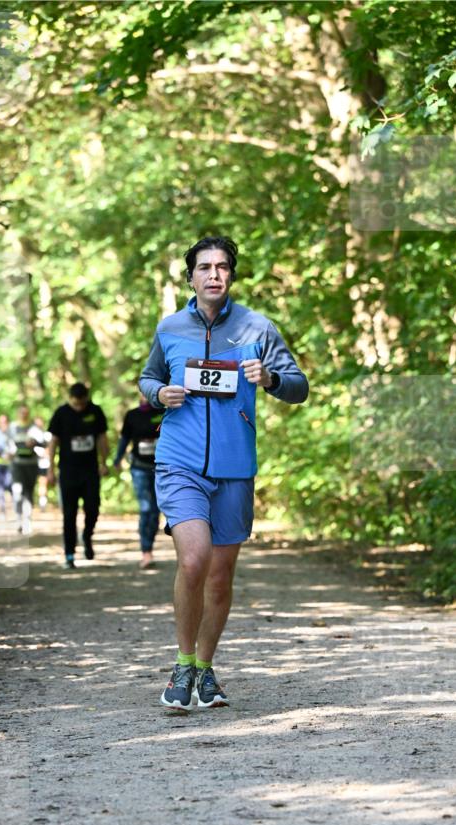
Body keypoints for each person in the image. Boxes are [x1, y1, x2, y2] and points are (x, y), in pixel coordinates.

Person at [140, 235, 308, 711]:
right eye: (204, 267)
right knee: (194, 560)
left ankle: (205, 668)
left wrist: (271, 379)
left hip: (234, 467)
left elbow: (299, 387)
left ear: (231, 275)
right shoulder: (170, 328)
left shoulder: (257, 327)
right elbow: (148, 378)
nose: (213, 274)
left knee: (219, 575)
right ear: (190, 277)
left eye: (222, 267)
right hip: (180, 461)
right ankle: (181, 665)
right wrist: (160, 394)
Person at [47, 383, 109, 568]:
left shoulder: (95, 412)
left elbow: (102, 438)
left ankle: (87, 535)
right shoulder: (61, 413)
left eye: (82, 403)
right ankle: (69, 554)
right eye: (76, 404)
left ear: (87, 398)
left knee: (93, 508)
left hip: (90, 471)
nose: (79, 407)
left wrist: (104, 462)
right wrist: (50, 470)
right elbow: (53, 442)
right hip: (68, 471)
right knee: (69, 513)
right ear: (70, 399)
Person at [113, 392, 163, 569]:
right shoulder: (132, 415)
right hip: (139, 467)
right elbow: (125, 439)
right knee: (146, 507)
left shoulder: (162, 412)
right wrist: (118, 458)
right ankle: (146, 551)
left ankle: (150, 544)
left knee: (155, 510)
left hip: (160, 468)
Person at [9, 405, 44, 535]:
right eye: (21, 412)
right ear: (18, 413)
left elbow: (45, 443)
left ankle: (27, 521)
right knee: (17, 491)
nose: (23, 415)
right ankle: (18, 519)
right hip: (17, 465)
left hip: (31, 465)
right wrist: (8, 453)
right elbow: (5, 444)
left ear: (28, 414)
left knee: (29, 493)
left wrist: (35, 443)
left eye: (26, 413)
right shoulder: (12, 428)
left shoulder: (34, 429)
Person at [33, 416, 52, 510]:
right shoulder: (32, 434)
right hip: (34, 463)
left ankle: (42, 503)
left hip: (44, 463)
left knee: (43, 482)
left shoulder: (47, 435)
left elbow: (51, 447)